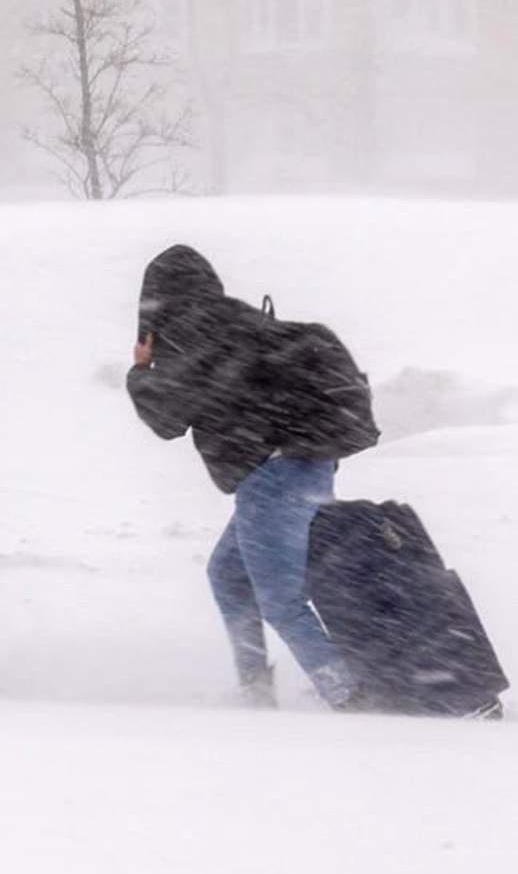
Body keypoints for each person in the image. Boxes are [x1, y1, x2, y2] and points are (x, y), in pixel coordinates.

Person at [125, 244, 375, 710]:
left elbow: (167, 420)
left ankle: (348, 698)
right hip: (305, 464)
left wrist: (140, 372)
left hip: (273, 477)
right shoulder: (239, 321)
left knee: (281, 601)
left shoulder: (196, 334)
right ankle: (255, 688)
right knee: (227, 575)